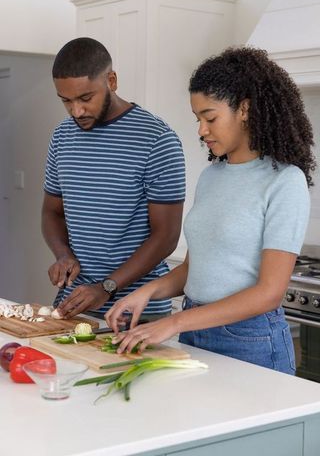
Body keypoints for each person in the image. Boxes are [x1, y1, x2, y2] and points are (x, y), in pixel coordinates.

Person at [105, 46, 316, 375]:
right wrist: (145, 293)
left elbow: (269, 294)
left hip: (251, 340)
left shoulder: (285, 181)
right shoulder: (212, 176)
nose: (201, 130)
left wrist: (173, 322)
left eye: (210, 117)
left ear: (244, 109)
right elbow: (196, 268)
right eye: (198, 119)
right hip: (194, 330)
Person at [42, 37, 185, 320]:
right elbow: (51, 212)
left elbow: (166, 236)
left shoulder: (157, 140)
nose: (77, 111)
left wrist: (108, 287)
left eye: (85, 98)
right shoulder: (61, 136)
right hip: (74, 306)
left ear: (112, 80)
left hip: (137, 312)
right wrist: (62, 254)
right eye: (66, 101)